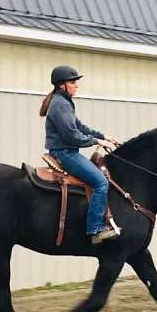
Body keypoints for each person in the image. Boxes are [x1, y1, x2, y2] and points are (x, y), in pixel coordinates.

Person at [40, 65, 121, 244]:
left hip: (66, 151)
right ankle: (95, 229)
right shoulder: (60, 104)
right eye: (73, 82)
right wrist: (97, 142)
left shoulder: (64, 102)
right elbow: (72, 135)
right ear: (62, 85)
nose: (76, 85)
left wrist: (103, 136)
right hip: (64, 153)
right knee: (100, 182)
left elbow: (80, 127)